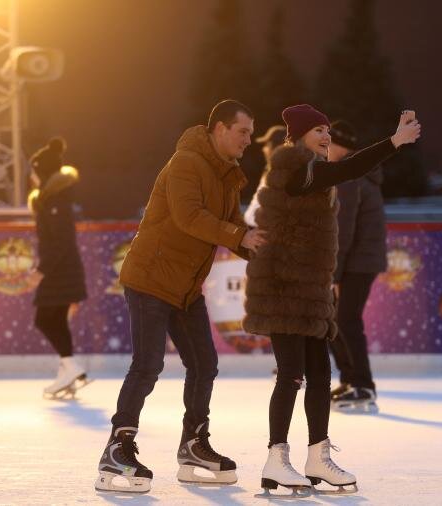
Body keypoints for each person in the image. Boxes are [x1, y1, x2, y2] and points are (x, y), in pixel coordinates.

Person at [244, 104, 421, 495]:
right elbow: (346, 169)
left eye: (327, 130)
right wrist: (394, 141)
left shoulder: (313, 172)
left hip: (309, 289)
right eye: (318, 131)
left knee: (321, 374)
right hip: (284, 289)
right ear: (298, 137)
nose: (326, 137)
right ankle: (276, 458)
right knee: (291, 374)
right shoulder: (294, 168)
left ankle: (317, 457)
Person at [95, 100, 266, 494]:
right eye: (243, 132)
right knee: (148, 364)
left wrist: (258, 246)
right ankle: (117, 447)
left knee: (205, 363)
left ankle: (193, 445)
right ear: (220, 129)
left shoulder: (228, 175)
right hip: (152, 280)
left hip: (186, 287)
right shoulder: (186, 163)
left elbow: (234, 226)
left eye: (251, 134)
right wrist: (240, 237)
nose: (248, 141)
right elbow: (190, 217)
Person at [326, 120, 386, 412]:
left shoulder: (350, 176)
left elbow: (344, 229)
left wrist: (334, 274)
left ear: (340, 145)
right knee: (338, 321)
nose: (324, 148)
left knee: (346, 320)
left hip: (357, 262)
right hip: (360, 260)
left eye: (328, 142)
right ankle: (352, 380)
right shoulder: (356, 172)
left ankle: (363, 385)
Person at [26, 137, 90, 399]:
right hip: (63, 270)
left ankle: (70, 366)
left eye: (33, 171)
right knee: (54, 319)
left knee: (43, 319)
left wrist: (41, 271)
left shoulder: (54, 203)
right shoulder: (52, 200)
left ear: (42, 171)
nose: (30, 176)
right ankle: (68, 369)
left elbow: (61, 243)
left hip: (60, 272)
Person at [243, 125, 286, 227]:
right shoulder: (271, 169)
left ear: (273, 146)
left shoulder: (279, 173)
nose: (264, 149)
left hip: (261, 232)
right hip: (255, 228)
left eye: (266, 145)